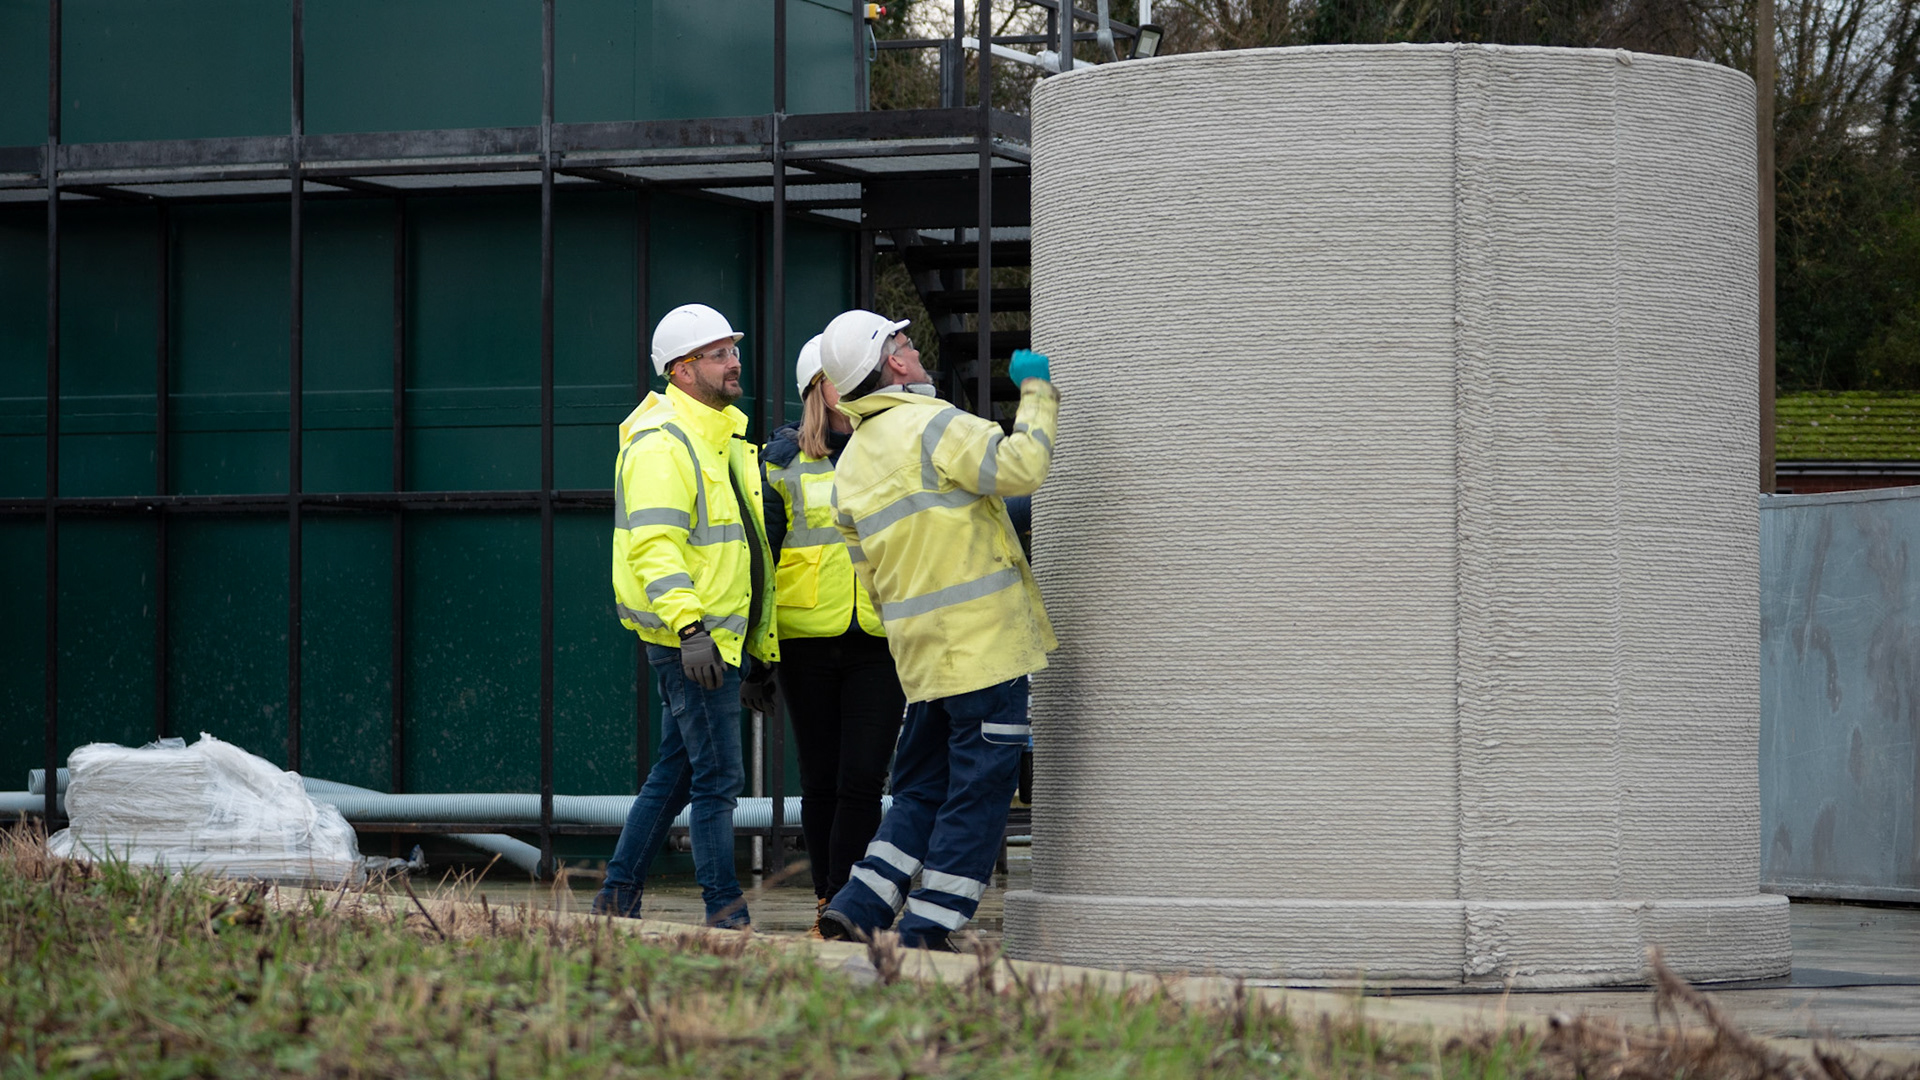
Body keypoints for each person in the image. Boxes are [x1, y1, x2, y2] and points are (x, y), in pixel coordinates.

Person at [811, 309, 1059, 950]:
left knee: (921, 789)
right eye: (902, 340)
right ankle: (930, 928)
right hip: (985, 649)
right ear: (892, 362)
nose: (913, 345)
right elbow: (1022, 468)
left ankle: (861, 903)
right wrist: (1036, 393)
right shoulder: (933, 423)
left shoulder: (851, 466)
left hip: (921, 660)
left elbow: (870, 578)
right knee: (978, 792)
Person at [595, 302, 779, 929]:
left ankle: (617, 899)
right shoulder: (662, 444)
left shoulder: (714, 436)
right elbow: (655, 547)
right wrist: (692, 630)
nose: (735, 362)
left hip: (716, 642)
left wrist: (753, 648)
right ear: (681, 369)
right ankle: (725, 912)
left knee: (677, 776)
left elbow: (739, 549)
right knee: (718, 779)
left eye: (733, 350)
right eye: (719, 353)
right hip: (693, 642)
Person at [761, 334, 908, 934]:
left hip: (879, 638)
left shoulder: (890, 448)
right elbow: (761, 563)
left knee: (864, 780)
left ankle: (851, 901)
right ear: (816, 390)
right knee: (821, 780)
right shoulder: (780, 462)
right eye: (835, 377)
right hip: (806, 642)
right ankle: (828, 899)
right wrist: (756, 659)